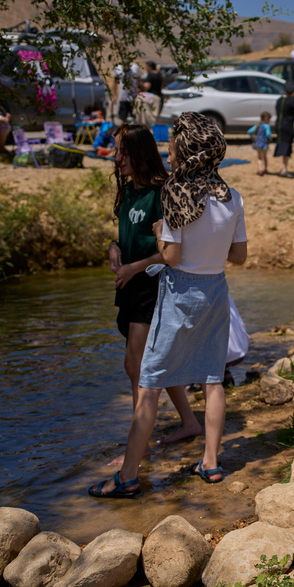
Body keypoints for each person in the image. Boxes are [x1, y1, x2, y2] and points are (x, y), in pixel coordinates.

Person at [89, 112, 248, 498]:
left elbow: (172, 257)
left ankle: (127, 477)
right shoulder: (232, 196)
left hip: (179, 294)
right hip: (215, 291)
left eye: (174, 144)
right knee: (212, 379)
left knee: (148, 384)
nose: (170, 151)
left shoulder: (177, 193)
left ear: (186, 149)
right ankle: (211, 462)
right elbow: (240, 257)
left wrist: (161, 234)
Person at [106, 124, 203, 465]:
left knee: (135, 365)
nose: (116, 158)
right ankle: (190, 422)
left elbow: (172, 252)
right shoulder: (128, 191)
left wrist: (135, 267)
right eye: (115, 150)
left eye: (123, 151)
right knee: (154, 362)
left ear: (141, 153)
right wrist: (115, 248)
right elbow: (124, 235)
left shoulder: (163, 193)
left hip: (154, 287)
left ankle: (140, 445)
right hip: (130, 286)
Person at [272, 84, 294, 177]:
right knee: (287, 147)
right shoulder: (293, 101)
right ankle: (284, 168)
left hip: (279, 124)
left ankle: (284, 167)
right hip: (288, 126)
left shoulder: (279, 100)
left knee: (282, 145)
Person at [248, 112, 272, 176]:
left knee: (259, 157)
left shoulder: (258, 125)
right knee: (265, 156)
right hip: (264, 144)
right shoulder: (267, 126)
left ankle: (260, 169)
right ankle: (266, 169)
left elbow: (249, 131)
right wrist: (270, 138)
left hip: (258, 144)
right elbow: (268, 134)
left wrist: (252, 138)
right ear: (267, 119)